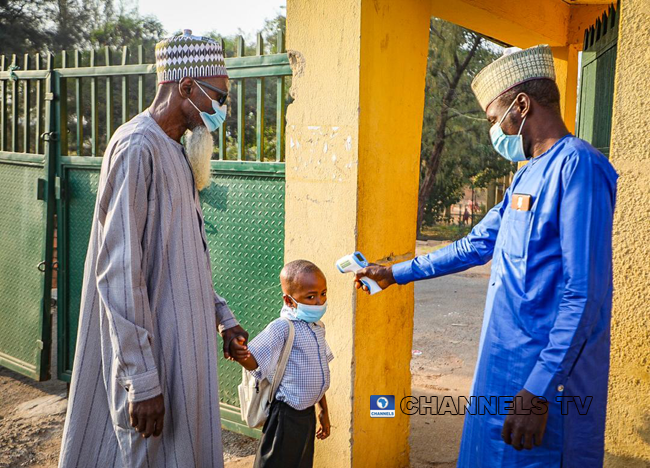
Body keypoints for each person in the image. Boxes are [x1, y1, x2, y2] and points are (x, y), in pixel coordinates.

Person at [354, 45, 618, 467]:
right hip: (501, 367)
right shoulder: (526, 174)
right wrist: (394, 273)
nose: (493, 130)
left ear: (522, 105)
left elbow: (583, 295)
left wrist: (539, 390)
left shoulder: (578, 167)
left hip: (543, 379)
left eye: (495, 119)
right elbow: (475, 245)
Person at [58, 30, 250, 467]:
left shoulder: (177, 153)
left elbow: (184, 258)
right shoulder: (137, 146)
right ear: (186, 87)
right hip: (154, 353)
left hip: (184, 350)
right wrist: (142, 380)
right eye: (218, 97)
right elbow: (120, 273)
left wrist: (222, 317)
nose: (222, 110)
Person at [234, 260, 333, 468]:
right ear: (289, 301)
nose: (319, 301)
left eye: (323, 293)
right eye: (311, 296)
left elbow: (318, 370)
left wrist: (323, 410)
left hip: (307, 416)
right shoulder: (282, 328)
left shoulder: (317, 327)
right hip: (286, 417)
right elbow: (254, 361)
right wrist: (241, 353)